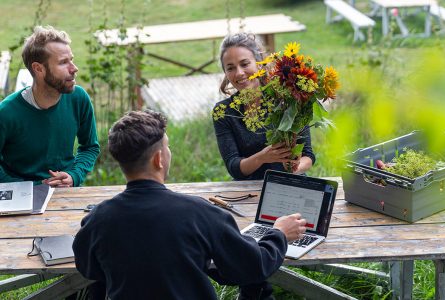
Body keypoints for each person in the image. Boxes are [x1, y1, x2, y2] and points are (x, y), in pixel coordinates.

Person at [73, 110, 307, 299]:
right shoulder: (202, 214)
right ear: (159, 159)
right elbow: (254, 266)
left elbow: (88, 268)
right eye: (168, 146)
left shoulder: (98, 219)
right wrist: (279, 233)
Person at [0, 25, 99, 187]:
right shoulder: (6, 113)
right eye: (63, 63)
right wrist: (28, 189)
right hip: (20, 199)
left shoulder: (79, 98)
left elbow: (90, 147)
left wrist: (74, 175)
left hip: (67, 193)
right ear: (38, 69)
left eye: (71, 60)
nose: (74, 69)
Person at [212, 32, 316, 181]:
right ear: (225, 73)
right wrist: (263, 157)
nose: (239, 73)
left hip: (290, 183)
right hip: (247, 192)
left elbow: (308, 154)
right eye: (230, 68)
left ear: (259, 62)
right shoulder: (224, 112)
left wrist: (293, 168)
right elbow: (233, 167)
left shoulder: (287, 100)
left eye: (245, 64)